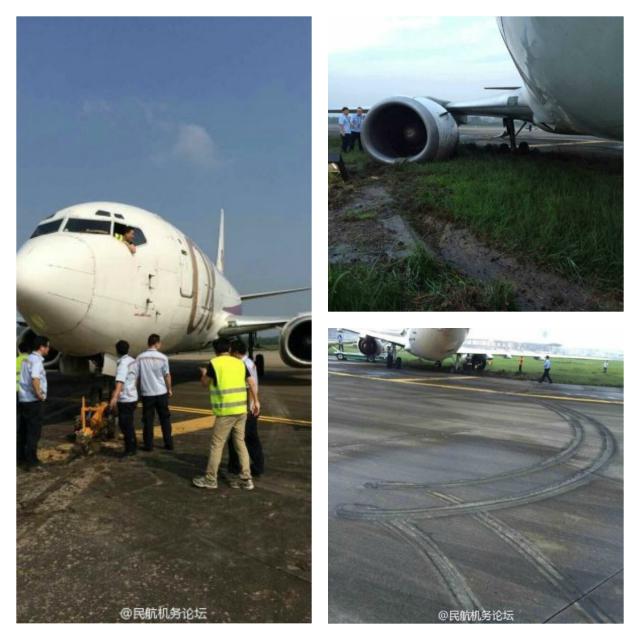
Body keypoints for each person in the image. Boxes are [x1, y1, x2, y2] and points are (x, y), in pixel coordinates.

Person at [193, 338, 260, 490]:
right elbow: (251, 383)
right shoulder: (239, 363)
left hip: (225, 411)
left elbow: (205, 383)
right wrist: (255, 402)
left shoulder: (214, 363)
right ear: (229, 349)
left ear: (215, 350)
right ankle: (246, 479)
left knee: (217, 445)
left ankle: (210, 479)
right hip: (241, 410)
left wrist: (204, 373)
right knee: (240, 443)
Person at [227, 339, 264, 478]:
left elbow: (250, 386)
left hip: (247, 408)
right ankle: (257, 466)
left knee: (238, 439)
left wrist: (251, 404)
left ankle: (236, 467)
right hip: (251, 407)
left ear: (236, 352)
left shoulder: (242, 364)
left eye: (230, 351)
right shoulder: (249, 362)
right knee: (251, 439)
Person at [17, 336, 50, 469]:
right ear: (41, 347)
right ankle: (32, 461)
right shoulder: (36, 361)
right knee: (33, 432)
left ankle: (20, 458)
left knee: (23, 430)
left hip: (23, 399)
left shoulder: (27, 359)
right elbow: (35, 379)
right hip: (33, 401)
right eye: (47, 346)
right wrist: (39, 395)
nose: (48, 349)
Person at [136, 334, 173, 451]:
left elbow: (137, 376)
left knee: (148, 420)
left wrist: (136, 391)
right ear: (157, 344)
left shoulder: (140, 358)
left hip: (147, 393)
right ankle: (168, 443)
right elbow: (167, 375)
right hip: (161, 392)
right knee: (165, 419)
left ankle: (148, 445)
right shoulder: (163, 357)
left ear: (148, 343)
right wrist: (169, 389)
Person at [109, 340, 139, 456]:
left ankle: (130, 449)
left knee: (125, 425)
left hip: (125, 399)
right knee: (129, 424)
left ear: (117, 351)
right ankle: (133, 445)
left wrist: (114, 397)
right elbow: (136, 378)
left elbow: (120, 381)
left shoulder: (122, 364)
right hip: (133, 396)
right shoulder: (133, 361)